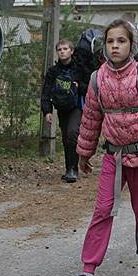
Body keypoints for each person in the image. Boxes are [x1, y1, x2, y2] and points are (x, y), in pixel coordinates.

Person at [61, 19, 138, 276]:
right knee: (102, 211)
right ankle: (87, 272)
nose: (115, 46)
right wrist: (84, 153)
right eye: (110, 41)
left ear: (132, 44)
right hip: (114, 156)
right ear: (104, 45)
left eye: (121, 41)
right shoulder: (97, 78)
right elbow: (90, 118)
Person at [40, 39, 88, 182]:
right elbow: (46, 91)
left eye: (65, 49)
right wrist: (47, 110)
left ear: (71, 51)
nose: (62, 51)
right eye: (59, 49)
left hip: (77, 107)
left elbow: (90, 87)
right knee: (67, 138)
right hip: (62, 108)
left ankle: (73, 169)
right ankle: (69, 168)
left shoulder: (79, 69)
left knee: (73, 133)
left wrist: (78, 86)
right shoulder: (53, 72)